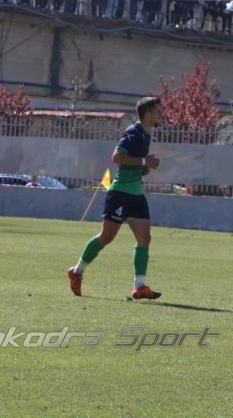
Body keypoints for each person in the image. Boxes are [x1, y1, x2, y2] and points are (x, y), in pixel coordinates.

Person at [67, 96, 163, 300]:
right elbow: (116, 157)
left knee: (144, 238)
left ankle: (139, 286)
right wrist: (144, 161)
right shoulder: (133, 133)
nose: (160, 114)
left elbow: (133, 164)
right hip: (120, 193)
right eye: (157, 111)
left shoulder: (146, 135)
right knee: (107, 237)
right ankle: (77, 271)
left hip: (136, 193)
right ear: (147, 115)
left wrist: (144, 168)